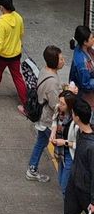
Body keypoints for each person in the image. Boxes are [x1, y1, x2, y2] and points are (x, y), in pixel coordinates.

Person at [26, 44, 65, 182]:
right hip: (49, 120)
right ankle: (64, 176)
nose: (63, 60)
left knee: (41, 142)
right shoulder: (53, 82)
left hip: (43, 117)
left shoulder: (45, 70)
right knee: (61, 146)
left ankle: (32, 168)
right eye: (60, 59)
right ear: (54, 61)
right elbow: (56, 105)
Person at [56, 95, 94, 214]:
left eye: (73, 113)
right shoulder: (80, 132)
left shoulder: (91, 146)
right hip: (75, 185)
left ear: (77, 117)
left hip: (86, 192)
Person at [52, 90, 77, 196]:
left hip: (70, 154)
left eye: (63, 104)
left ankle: (69, 211)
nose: (59, 105)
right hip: (60, 152)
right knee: (61, 182)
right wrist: (53, 132)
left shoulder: (75, 121)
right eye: (60, 102)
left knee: (64, 186)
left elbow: (79, 143)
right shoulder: (59, 110)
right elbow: (54, 120)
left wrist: (64, 142)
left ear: (70, 106)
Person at [69, 25, 94, 106]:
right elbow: (86, 85)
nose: (93, 39)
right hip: (85, 96)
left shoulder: (81, 47)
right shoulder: (82, 64)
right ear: (85, 42)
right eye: (91, 38)